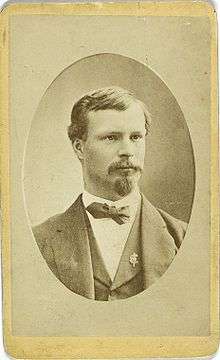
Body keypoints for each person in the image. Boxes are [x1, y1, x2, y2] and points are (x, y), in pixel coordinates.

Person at [33, 87, 187, 301]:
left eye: (135, 137)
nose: (128, 151)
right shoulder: (39, 242)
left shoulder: (182, 238)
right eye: (111, 138)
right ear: (79, 148)